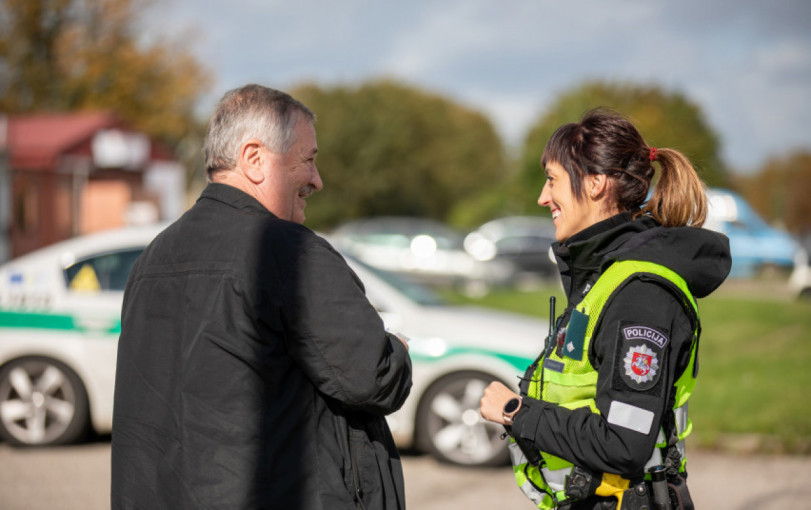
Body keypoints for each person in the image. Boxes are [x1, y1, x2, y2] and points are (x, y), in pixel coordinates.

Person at [111, 84, 413, 510]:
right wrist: (395, 350)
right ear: (254, 159)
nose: (317, 180)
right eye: (308, 160)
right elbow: (373, 377)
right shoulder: (289, 253)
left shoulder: (151, 261)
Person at [480, 109, 730, 510]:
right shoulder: (604, 275)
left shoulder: (640, 295)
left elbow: (624, 442)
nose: (543, 197)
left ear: (595, 183)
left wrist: (516, 411)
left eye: (552, 180)